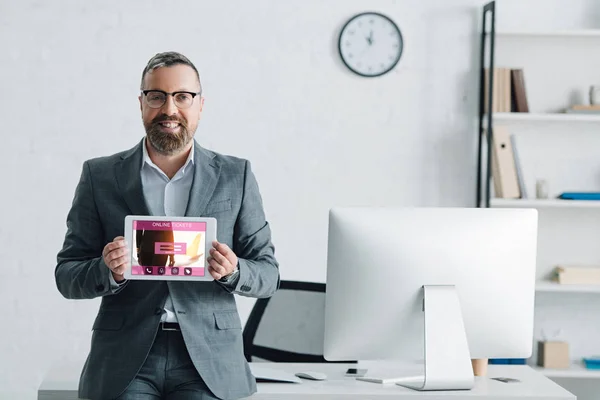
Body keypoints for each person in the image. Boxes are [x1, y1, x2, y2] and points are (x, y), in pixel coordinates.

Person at [55, 51, 280, 400]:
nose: (169, 109)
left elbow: (268, 275)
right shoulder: (100, 176)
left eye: (182, 97)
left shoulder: (237, 176)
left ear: (201, 104)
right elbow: (67, 275)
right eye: (157, 96)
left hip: (208, 359)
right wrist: (108, 270)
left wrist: (235, 271)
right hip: (125, 358)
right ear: (141, 103)